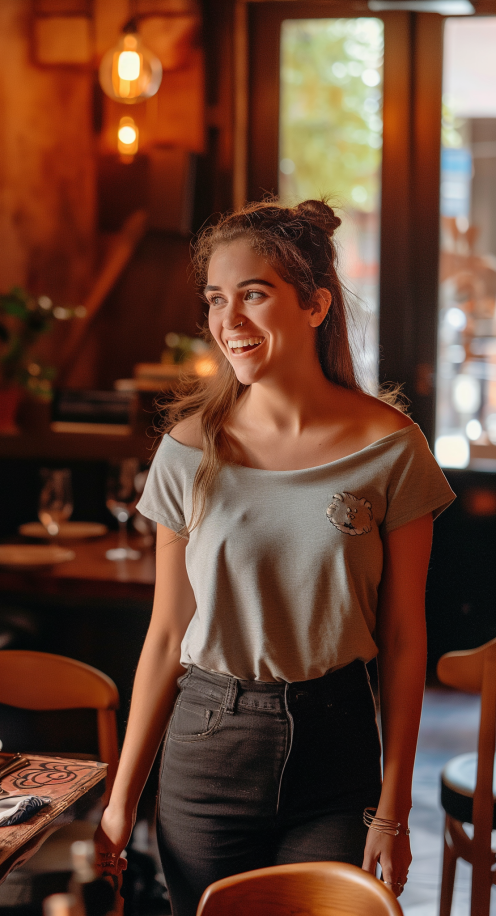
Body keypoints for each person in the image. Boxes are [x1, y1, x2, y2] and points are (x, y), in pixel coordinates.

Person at [95, 199, 455, 914]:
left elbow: (406, 642)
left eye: (253, 295)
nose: (228, 321)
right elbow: (166, 635)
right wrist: (119, 802)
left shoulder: (392, 449)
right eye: (215, 300)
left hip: (339, 741)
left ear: (316, 305)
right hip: (208, 744)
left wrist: (393, 809)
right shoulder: (188, 450)